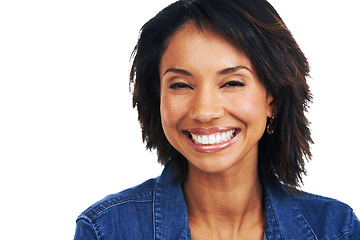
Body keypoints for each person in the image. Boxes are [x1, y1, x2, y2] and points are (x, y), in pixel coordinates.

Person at [74, 0, 360, 239]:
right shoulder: (105, 230)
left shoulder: (336, 229)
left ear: (271, 99)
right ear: (157, 96)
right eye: (181, 85)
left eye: (232, 83)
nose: (204, 111)